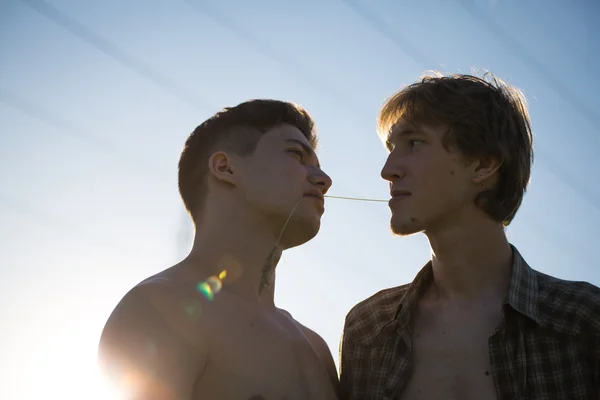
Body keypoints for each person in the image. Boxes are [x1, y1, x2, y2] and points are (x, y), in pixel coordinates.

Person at [339, 72, 600, 399]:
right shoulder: (367, 328)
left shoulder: (583, 320)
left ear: (483, 163)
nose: (387, 170)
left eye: (414, 143)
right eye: (392, 147)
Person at [98, 99, 339, 399]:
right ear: (225, 167)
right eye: (296, 155)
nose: (324, 180)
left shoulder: (316, 348)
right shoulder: (160, 308)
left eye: (317, 166)